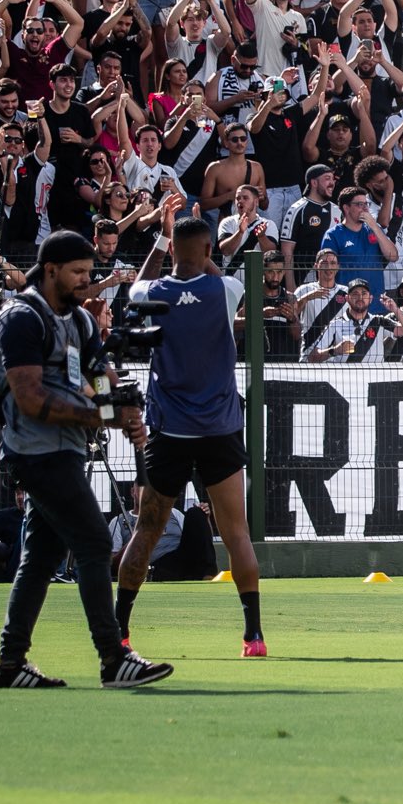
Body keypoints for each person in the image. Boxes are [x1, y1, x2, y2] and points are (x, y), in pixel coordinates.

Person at [0, 231, 173, 690]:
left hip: (66, 450)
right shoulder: (20, 318)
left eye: (89, 273)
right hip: (35, 451)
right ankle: (113, 658)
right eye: (77, 272)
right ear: (50, 269)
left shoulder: (81, 322)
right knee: (93, 543)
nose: (84, 281)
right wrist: (104, 416)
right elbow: (30, 398)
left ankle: (10, 665)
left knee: (40, 556)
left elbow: (100, 375)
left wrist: (122, 409)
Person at [116, 213, 266, 657]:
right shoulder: (222, 289)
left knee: (146, 528)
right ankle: (253, 636)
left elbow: (133, 290)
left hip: (170, 430)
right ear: (206, 250)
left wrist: (163, 240)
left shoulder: (153, 292)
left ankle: (119, 630)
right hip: (219, 427)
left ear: (172, 253)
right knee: (236, 532)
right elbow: (219, 277)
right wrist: (206, 259)